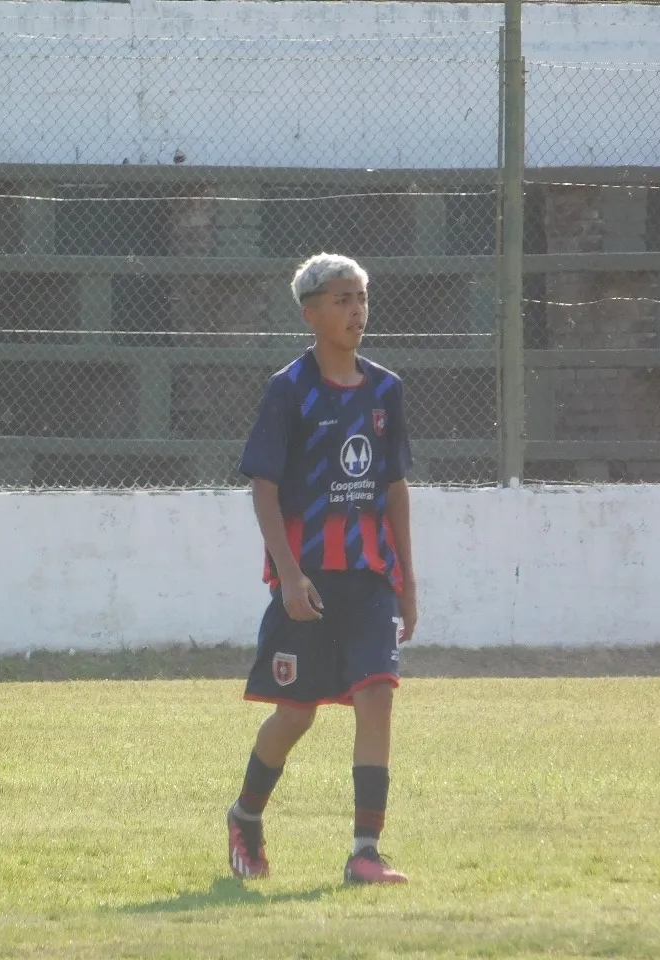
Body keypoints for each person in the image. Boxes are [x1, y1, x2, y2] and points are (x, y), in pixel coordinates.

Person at [226, 252, 418, 886]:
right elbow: (264, 487)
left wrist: (407, 583)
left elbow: (393, 488)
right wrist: (288, 576)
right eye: (341, 299)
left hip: (369, 575)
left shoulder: (386, 389)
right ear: (310, 313)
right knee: (297, 712)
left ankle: (365, 851)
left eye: (361, 297)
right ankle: (246, 815)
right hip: (307, 577)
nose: (356, 310)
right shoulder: (288, 390)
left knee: (377, 699)